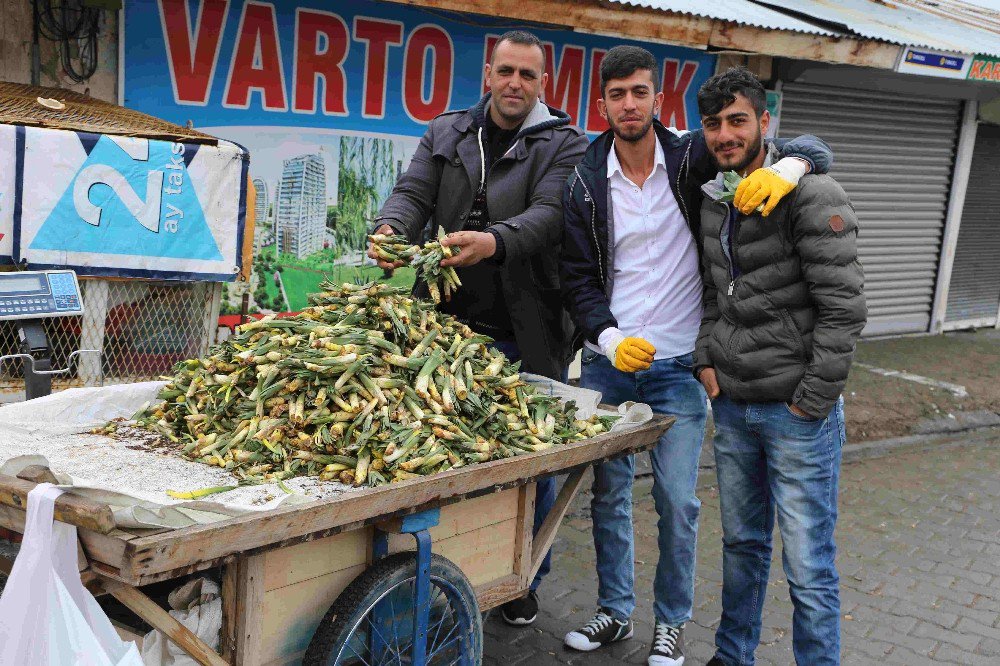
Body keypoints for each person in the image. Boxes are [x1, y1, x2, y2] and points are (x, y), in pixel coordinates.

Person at [559, 47, 834, 666]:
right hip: (610, 364)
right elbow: (576, 277)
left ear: (657, 99)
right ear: (601, 104)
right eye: (616, 94)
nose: (628, 104)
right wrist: (605, 338)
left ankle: (671, 621)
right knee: (608, 496)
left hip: (683, 365)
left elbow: (804, 145)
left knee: (678, 502)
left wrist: (790, 169)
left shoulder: (692, 156)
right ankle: (615, 611)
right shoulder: (583, 177)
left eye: (639, 92)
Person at [368, 30, 589, 626]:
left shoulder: (565, 144)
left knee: (531, 458)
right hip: (444, 328)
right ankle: (448, 574)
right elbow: (413, 193)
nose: (516, 83)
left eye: (529, 75)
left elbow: (547, 216)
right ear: (488, 76)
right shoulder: (447, 130)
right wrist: (392, 228)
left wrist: (495, 241)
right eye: (507, 72)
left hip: (528, 329)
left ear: (543, 85)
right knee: (443, 450)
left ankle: (523, 574)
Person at [693, 67, 866, 666]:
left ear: (765, 122)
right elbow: (713, 293)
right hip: (735, 407)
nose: (725, 134)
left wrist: (813, 398)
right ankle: (731, 654)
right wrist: (705, 363)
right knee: (741, 546)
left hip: (798, 415)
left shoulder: (813, 193)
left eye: (737, 120)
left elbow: (843, 309)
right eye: (713, 123)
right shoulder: (716, 198)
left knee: (808, 564)